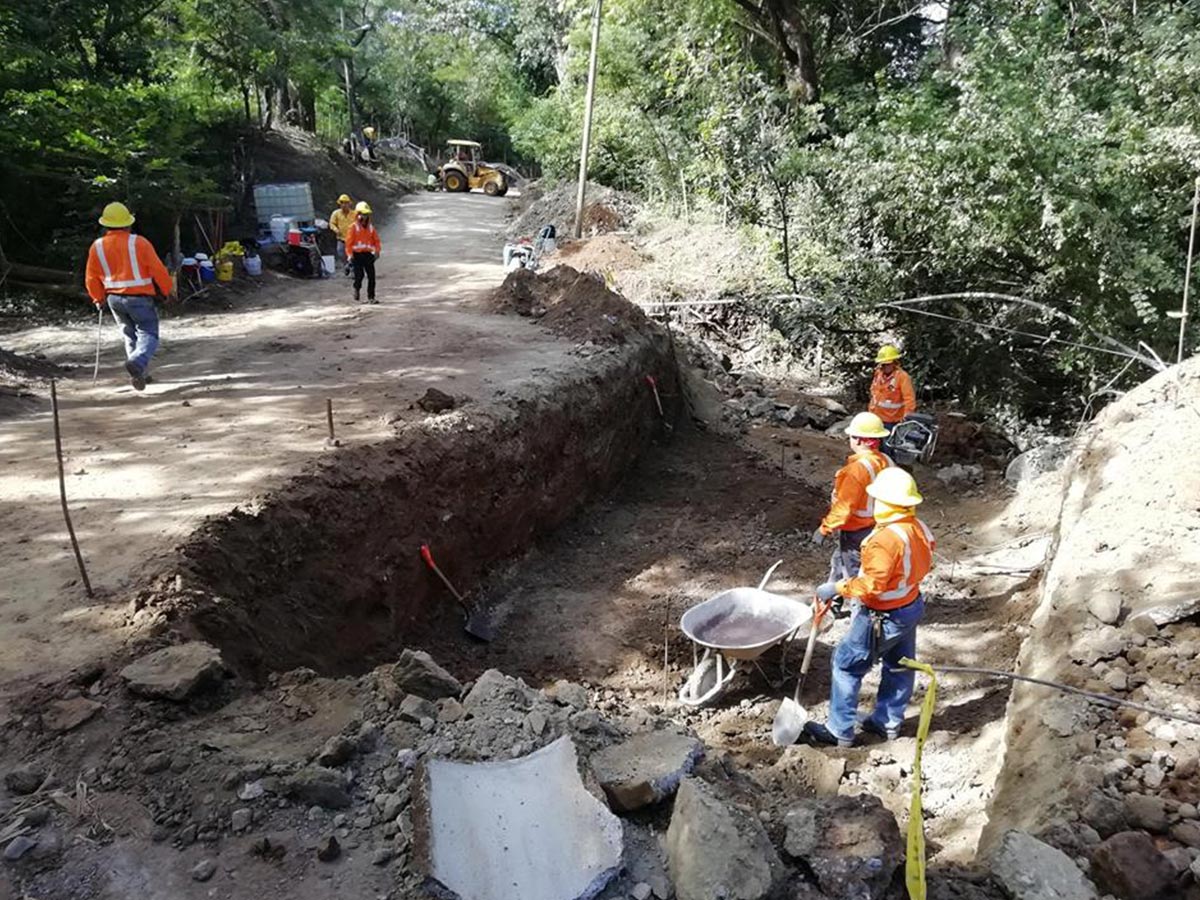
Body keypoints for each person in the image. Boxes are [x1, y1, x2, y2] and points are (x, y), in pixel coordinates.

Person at [802, 467, 935, 748]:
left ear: (885, 503)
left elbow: (872, 584)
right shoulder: (918, 528)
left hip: (881, 615)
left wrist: (837, 588)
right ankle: (887, 722)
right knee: (899, 665)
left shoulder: (884, 540)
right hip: (910, 606)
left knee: (847, 665)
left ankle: (839, 730)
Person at [84, 201, 175, 391]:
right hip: (140, 298)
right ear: (128, 223)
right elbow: (157, 270)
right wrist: (167, 291)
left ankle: (139, 373)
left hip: (114, 299)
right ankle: (138, 362)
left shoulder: (97, 246)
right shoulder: (139, 243)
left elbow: (91, 276)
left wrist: (97, 298)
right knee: (148, 332)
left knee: (129, 334)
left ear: (105, 224)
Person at [811, 412, 893, 584]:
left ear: (858, 440)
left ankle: (857, 608)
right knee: (839, 562)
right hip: (880, 526)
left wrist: (824, 529)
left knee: (853, 575)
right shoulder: (886, 460)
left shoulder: (856, 471)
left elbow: (844, 508)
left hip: (857, 531)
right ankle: (832, 599)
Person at [868, 345, 916, 431]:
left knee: (888, 443)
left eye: (887, 364)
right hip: (876, 417)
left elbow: (909, 399)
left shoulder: (902, 377)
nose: (884, 366)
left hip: (893, 420)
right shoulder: (878, 374)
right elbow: (874, 390)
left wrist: (907, 418)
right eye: (883, 364)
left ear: (894, 363)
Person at [345, 201, 381, 303]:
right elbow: (348, 243)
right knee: (359, 276)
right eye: (362, 214)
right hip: (356, 256)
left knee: (372, 277)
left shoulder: (370, 228)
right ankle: (356, 289)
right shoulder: (353, 227)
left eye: (366, 214)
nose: (364, 217)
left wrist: (377, 251)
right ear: (358, 214)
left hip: (368, 255)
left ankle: (371, 297)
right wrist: (349, 255)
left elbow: (376, 241)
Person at [329, 194, 355, 275]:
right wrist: (336, 230)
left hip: (353, 239)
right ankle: (346, 266)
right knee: (340, 253)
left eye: (346, 203)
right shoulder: (336, 213)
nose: (344, 205)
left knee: (353, 255)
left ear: (349, 203)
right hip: (341, 238)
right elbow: (331, 223)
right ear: (339, 204)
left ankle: (354, 270)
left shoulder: (354, 214)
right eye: (342, 203)